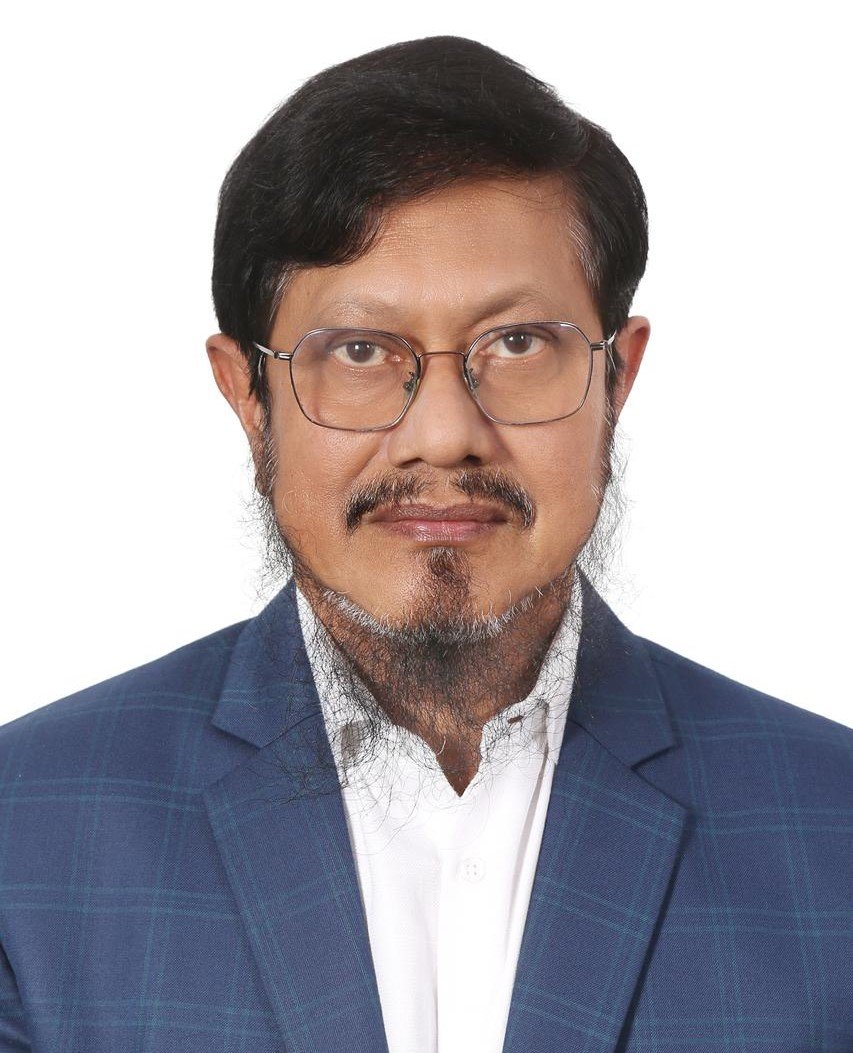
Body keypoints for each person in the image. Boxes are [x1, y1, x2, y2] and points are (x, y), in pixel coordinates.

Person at [0, 34, 850, 1053]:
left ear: (616, 379)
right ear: (247, 396)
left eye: (517, 344)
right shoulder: (26, 834)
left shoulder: (831, 830)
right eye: (359, 350)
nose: (444, 434)